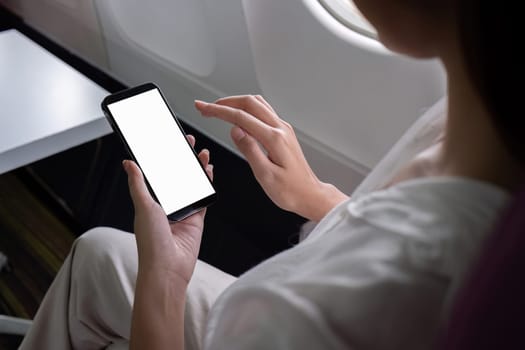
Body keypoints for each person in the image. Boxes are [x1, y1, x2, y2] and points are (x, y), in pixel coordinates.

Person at [20, 0, 522, 349]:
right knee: (100, 252)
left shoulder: (309, 314)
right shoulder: (462, 123)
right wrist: (314, 196)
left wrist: (166, 279)